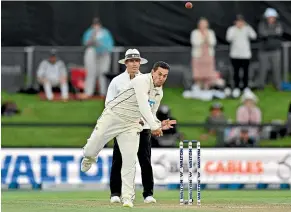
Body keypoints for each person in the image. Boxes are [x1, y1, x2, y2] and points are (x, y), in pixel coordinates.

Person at [81, 61, 174, 208]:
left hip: (131, 125)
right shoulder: (141, 81)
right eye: (159, 74)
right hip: (113, 116)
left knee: (130, 161)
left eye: (165, 76)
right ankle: (89, 157)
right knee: (91, 147)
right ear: (152, 72)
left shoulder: (159, 92)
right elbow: (143, 105)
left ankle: (128, 198)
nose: (161, 78)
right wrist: (155, 126)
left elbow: (150, 113)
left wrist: (159, 123)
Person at [106, 49, 176, 204]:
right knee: (119, 160)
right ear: (125, 63)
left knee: (145, 160)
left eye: (136, 61)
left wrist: (156, 124)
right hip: (124, 126)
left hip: (143, 128)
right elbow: (109, 104)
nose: (134, 63)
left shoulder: (148, 81)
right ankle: (115, 193)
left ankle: (148, 194)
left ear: (140, 63)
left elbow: (151, 109)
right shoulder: (117, 82)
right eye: (131, 61)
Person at [80, 17, 114, 100]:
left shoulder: (105, 33)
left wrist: (101, 44)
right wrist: (92, 38)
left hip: (104, 54)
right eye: (95, 24)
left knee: (103, 73)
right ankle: (88, 92)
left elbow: (110, 46)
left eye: (97, 24)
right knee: (91, 73)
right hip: (92, 54)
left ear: (100, 24)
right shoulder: (89, 32)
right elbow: (85, 43)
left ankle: (103, 93)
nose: (96, 25)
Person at [226, 15, 257, 98]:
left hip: (245, 55)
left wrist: (247, 27)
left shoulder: (247, 28)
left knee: (246, 72)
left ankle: (246, 87)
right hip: (235, 55)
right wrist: (236, 29)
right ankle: (236, 87)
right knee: (236, 72)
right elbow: (228, 38)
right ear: (235, 22)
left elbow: (254, 36)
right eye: (238, 21)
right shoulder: (231, 29)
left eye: (241, 21)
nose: (240, 23)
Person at [257, 8, 283, 90]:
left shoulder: (278, 24)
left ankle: (278, 86)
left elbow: (280, 32)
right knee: (262, 69)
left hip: (275, 50)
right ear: (266, 17)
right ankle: (261, 86)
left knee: (277, 68)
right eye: (270, 17)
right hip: (264, 51)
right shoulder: (262, 24)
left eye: (273, 17)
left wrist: (269, 34)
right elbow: (262, 33)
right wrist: (273, 33)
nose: (272, 18)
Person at [191, 17, 217, 91]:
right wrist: (203, 39)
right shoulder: (195, 32)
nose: (203, 25)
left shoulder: (210, 32)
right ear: (199, 25)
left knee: (208, 72)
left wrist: (207, 38)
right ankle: (198, 88)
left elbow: (213, 43)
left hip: (208, 55)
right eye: (201, 24)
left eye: (204, 24)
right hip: (198, 56)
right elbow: (195, 43)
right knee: (198, 72)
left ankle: (207, 88)